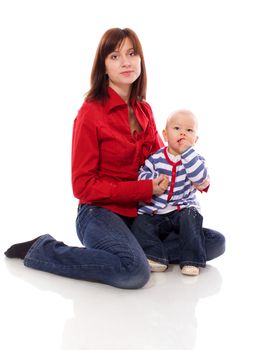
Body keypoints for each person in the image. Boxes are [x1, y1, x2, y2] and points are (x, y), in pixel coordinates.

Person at [4, 28, 225, 289]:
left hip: (142, 216)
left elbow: (161, 160)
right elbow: (82, 186)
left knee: (213, 242)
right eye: (114, 56)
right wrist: (144, 188)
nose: (126, 62)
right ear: (104, 67)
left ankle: (137, 250)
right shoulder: (90, 113)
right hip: (99, 213)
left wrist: (196, 175)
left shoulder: (144, 109)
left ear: (141, 60)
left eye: (132, 53)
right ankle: (43, 250)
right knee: (133, 272)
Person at [132, 109, 212, 276]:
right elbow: (141, 175)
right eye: (176, 128)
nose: (183, 133)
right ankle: (155, 257)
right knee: (140, 223)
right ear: (165, 135)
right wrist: (154, 179)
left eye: (189, 130)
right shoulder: (155, 158)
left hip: (181, 210)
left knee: (192, 216)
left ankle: (190, 260)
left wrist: (187, 153)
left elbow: (200, 178)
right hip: (155, 212)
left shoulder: (196, 160)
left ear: (195, 139)